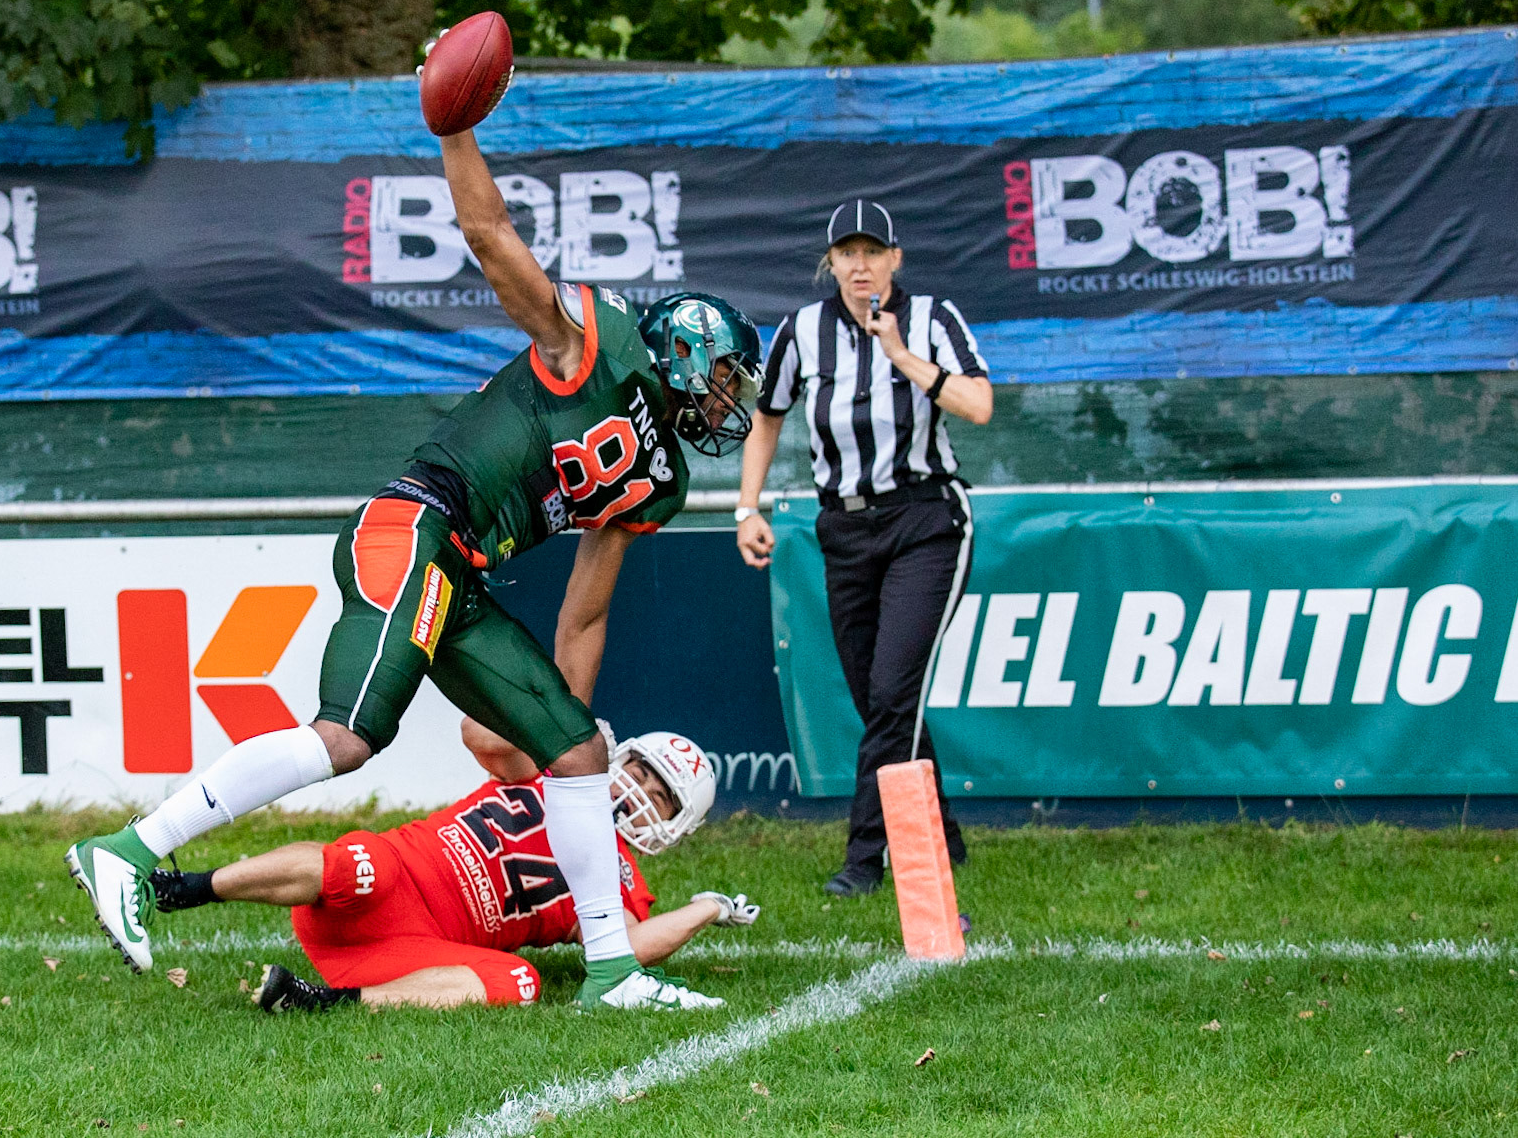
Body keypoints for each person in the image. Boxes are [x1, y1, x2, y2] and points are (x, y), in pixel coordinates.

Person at [67, 91, 764, 1011]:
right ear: (682, 352)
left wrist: (557, 723)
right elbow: (490, 234)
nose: (729, 405)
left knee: (582, 756)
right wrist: (456, 130)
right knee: (349, 736)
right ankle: (129, 849)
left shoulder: (660, 481)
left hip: (463, 572)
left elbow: (586, 608)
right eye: (723, 381)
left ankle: (613, 973)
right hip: (415, 524)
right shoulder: (591, 340)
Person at [734, 200, 992, 897]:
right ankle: (944, 830)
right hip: (843, 528)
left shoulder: (933, 318)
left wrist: (903, 355)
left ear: (894, 259)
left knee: (890, 694)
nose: (859, 265)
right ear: (831, 262)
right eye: (846, 252)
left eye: (871, 251)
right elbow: (767, 416)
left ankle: (864, 857)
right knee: (879, 697)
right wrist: (746, 506)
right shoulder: (802, 330)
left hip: (925, 521)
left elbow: (980, 405)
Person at [151, 724, 758, 1011]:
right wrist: (548, 722)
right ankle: (188, 888)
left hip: (420, 946)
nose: (636, 792)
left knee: (522, 985)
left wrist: (706, 906)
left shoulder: (621, 877)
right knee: (356, 864)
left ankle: (325, 1002)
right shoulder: (550, 771)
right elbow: (477, 732)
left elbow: (628, 948)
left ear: (674, 826)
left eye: (659, 795)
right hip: (390, 878)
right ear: (616, 757)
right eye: (640, 772)